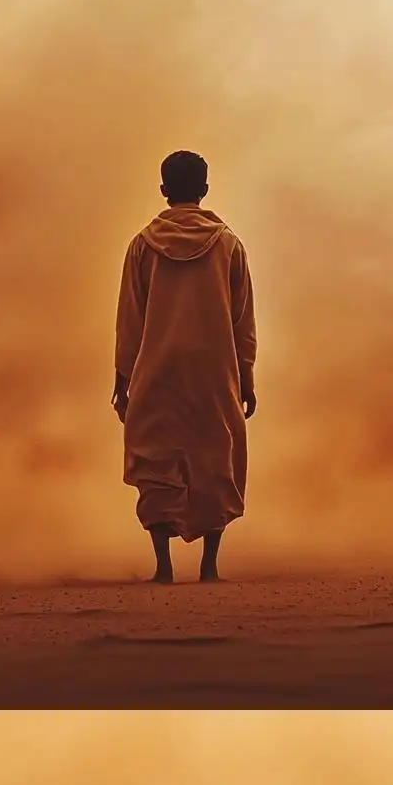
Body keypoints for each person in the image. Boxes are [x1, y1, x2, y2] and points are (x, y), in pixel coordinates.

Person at [113, 151, 257, 583]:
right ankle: (210, 566)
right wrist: (245, 375)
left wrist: (123, 378)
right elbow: (241, 319)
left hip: (157, 366)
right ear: (205, 190)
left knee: (155, 457)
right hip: (214, 369)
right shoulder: (229, 244)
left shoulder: (141, 245)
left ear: (163, 191)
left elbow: (130, 317)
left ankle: (163, 566)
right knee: (215, 455)